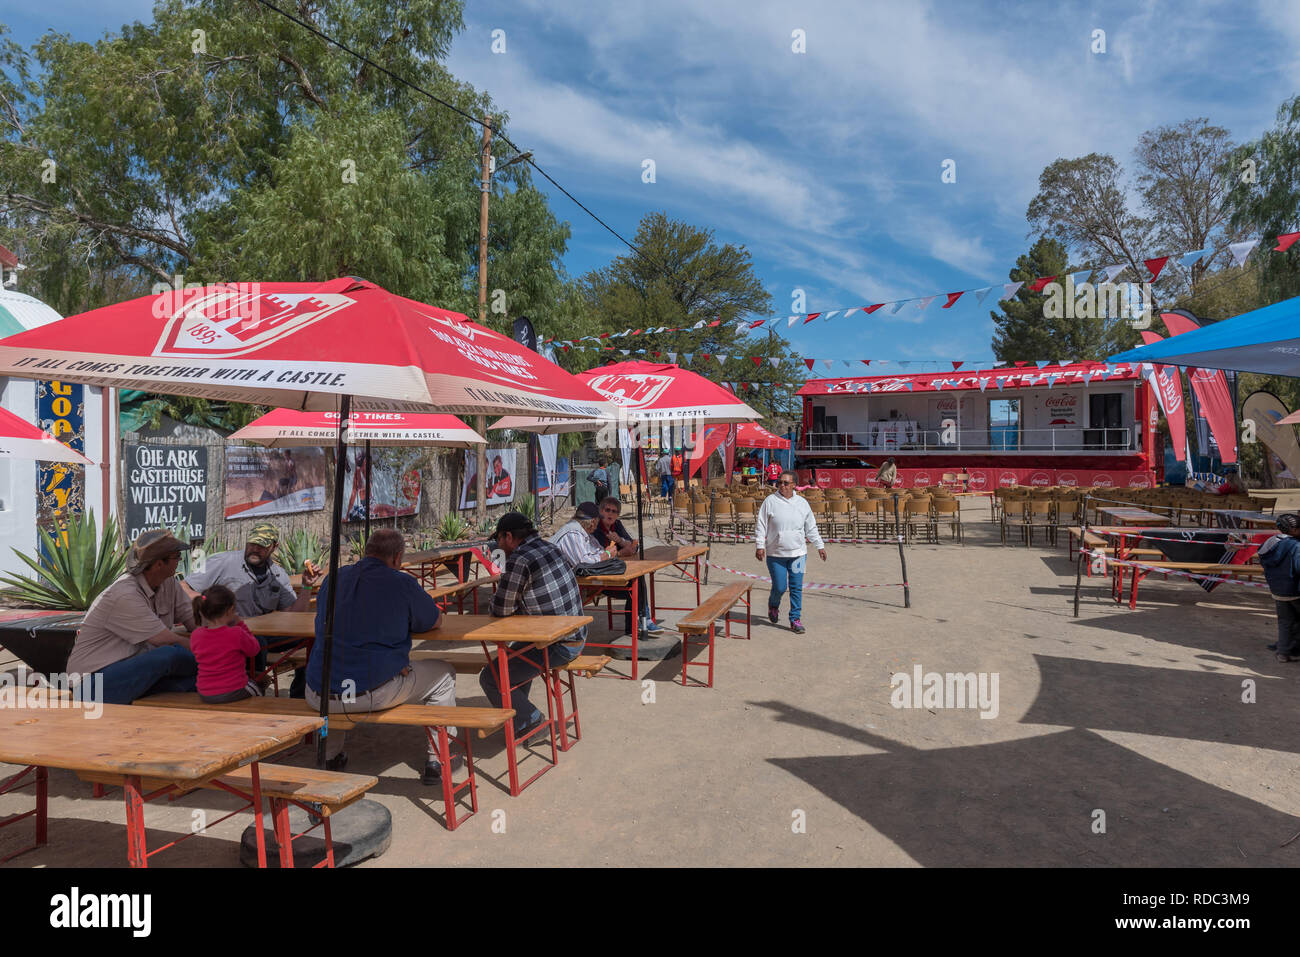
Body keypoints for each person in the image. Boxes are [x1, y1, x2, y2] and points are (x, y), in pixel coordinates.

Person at [305, 528, 458, 782]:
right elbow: (434, 620)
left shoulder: (333, 579)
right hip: (370, 693)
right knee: (444, 675)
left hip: (316, 693)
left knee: (335, 673)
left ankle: (331, 756)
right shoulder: (401, 583)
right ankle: (439, 759)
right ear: (397, 558)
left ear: (366, 552)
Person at [182, 522, 321, 696]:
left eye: (261, 546)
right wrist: (209, 605)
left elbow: (293, 615)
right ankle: (254, 693)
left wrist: (306, 587)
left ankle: (300, 698)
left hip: (265, 634)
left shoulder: (278, 574)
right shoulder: (223, 562)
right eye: (252, 543)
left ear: (274, 547)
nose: (254, 549)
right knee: (257, 642)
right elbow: (184, 586)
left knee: (313, 638)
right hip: (230, 633)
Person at [481, 512, 587, 738]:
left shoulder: (519, 559)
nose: (498, 545)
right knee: (513, 653)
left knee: (491, 677)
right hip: (575, 634)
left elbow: (501, 609)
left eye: (499, 540)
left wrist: (498, 593)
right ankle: (521, 718)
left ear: (508, 536)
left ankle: (531, 721)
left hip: (558, 644)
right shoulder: (551, 548)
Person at [67, 529, 198, 704]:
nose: (179, 561)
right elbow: (164, 640)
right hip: (93, 683)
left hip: (136, 673)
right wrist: (212, 653)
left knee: (195, 685)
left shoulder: (169, 584)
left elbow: (195, 621)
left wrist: (219, 627)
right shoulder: (124, 594)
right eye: (177, 557)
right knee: (168, 654)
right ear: (159, 564)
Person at [754, 470, 827, 635]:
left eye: (786, 483)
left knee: (796, 587)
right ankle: (773, 605)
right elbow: (761, 525)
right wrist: (760, 545)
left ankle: (795, 619)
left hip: (798, 554)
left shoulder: (802, 503)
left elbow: (811, 527)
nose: (782, 485)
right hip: (775, 555)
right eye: (780, 482)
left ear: (794, 485)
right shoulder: (770, 501)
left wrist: (819, 546)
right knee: (780, 587)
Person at [593, 496, 663, 638]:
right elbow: (600, 558)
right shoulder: (596, 529)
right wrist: (619, 553)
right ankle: (643, 621)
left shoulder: (616, 525)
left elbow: (633, 547)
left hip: (616, 571)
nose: (611, 514)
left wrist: (619, 540)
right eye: (607, 510)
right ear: (601, 511)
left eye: (614, 511)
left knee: (638, 581)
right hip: (599, 578)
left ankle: (638, 625)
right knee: (636, 586)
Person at [191, 585, 262, 703]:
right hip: (232, 690)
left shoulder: (196, 635)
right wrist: (240, 624)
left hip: (205, 693)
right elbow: (254, 649)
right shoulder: (236, 633)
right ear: (230, 610)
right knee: (258, 688)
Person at [1258, 513, 1300, 663]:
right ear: (1294, 530)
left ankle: (1282, 653)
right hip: (1294, 590)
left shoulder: (1271, 541)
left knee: (1284, 621)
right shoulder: (1296, 546)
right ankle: (1292, 648)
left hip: (1277, 590)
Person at [551, 501, 619, 568]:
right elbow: (582, 564)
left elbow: (599, 551)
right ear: (593, 522)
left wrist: (606, 553)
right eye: (598, 520)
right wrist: (607, 554)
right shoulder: (573, 533)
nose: (598, 524)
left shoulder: (586, 533)